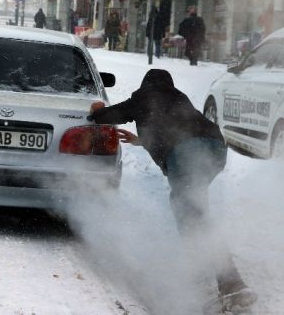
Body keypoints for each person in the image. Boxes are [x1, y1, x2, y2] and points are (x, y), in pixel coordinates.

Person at [89, 69, 256, 309]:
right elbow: (172, 128)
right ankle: (205, 273)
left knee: (194, 217)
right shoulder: (178, 97)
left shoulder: (144, 97)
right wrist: (141, 139)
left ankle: (229, 284)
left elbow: (110, 115)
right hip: (215, 149)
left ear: (146, 84)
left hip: (187, 153)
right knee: (194, 211)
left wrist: (96, 112)